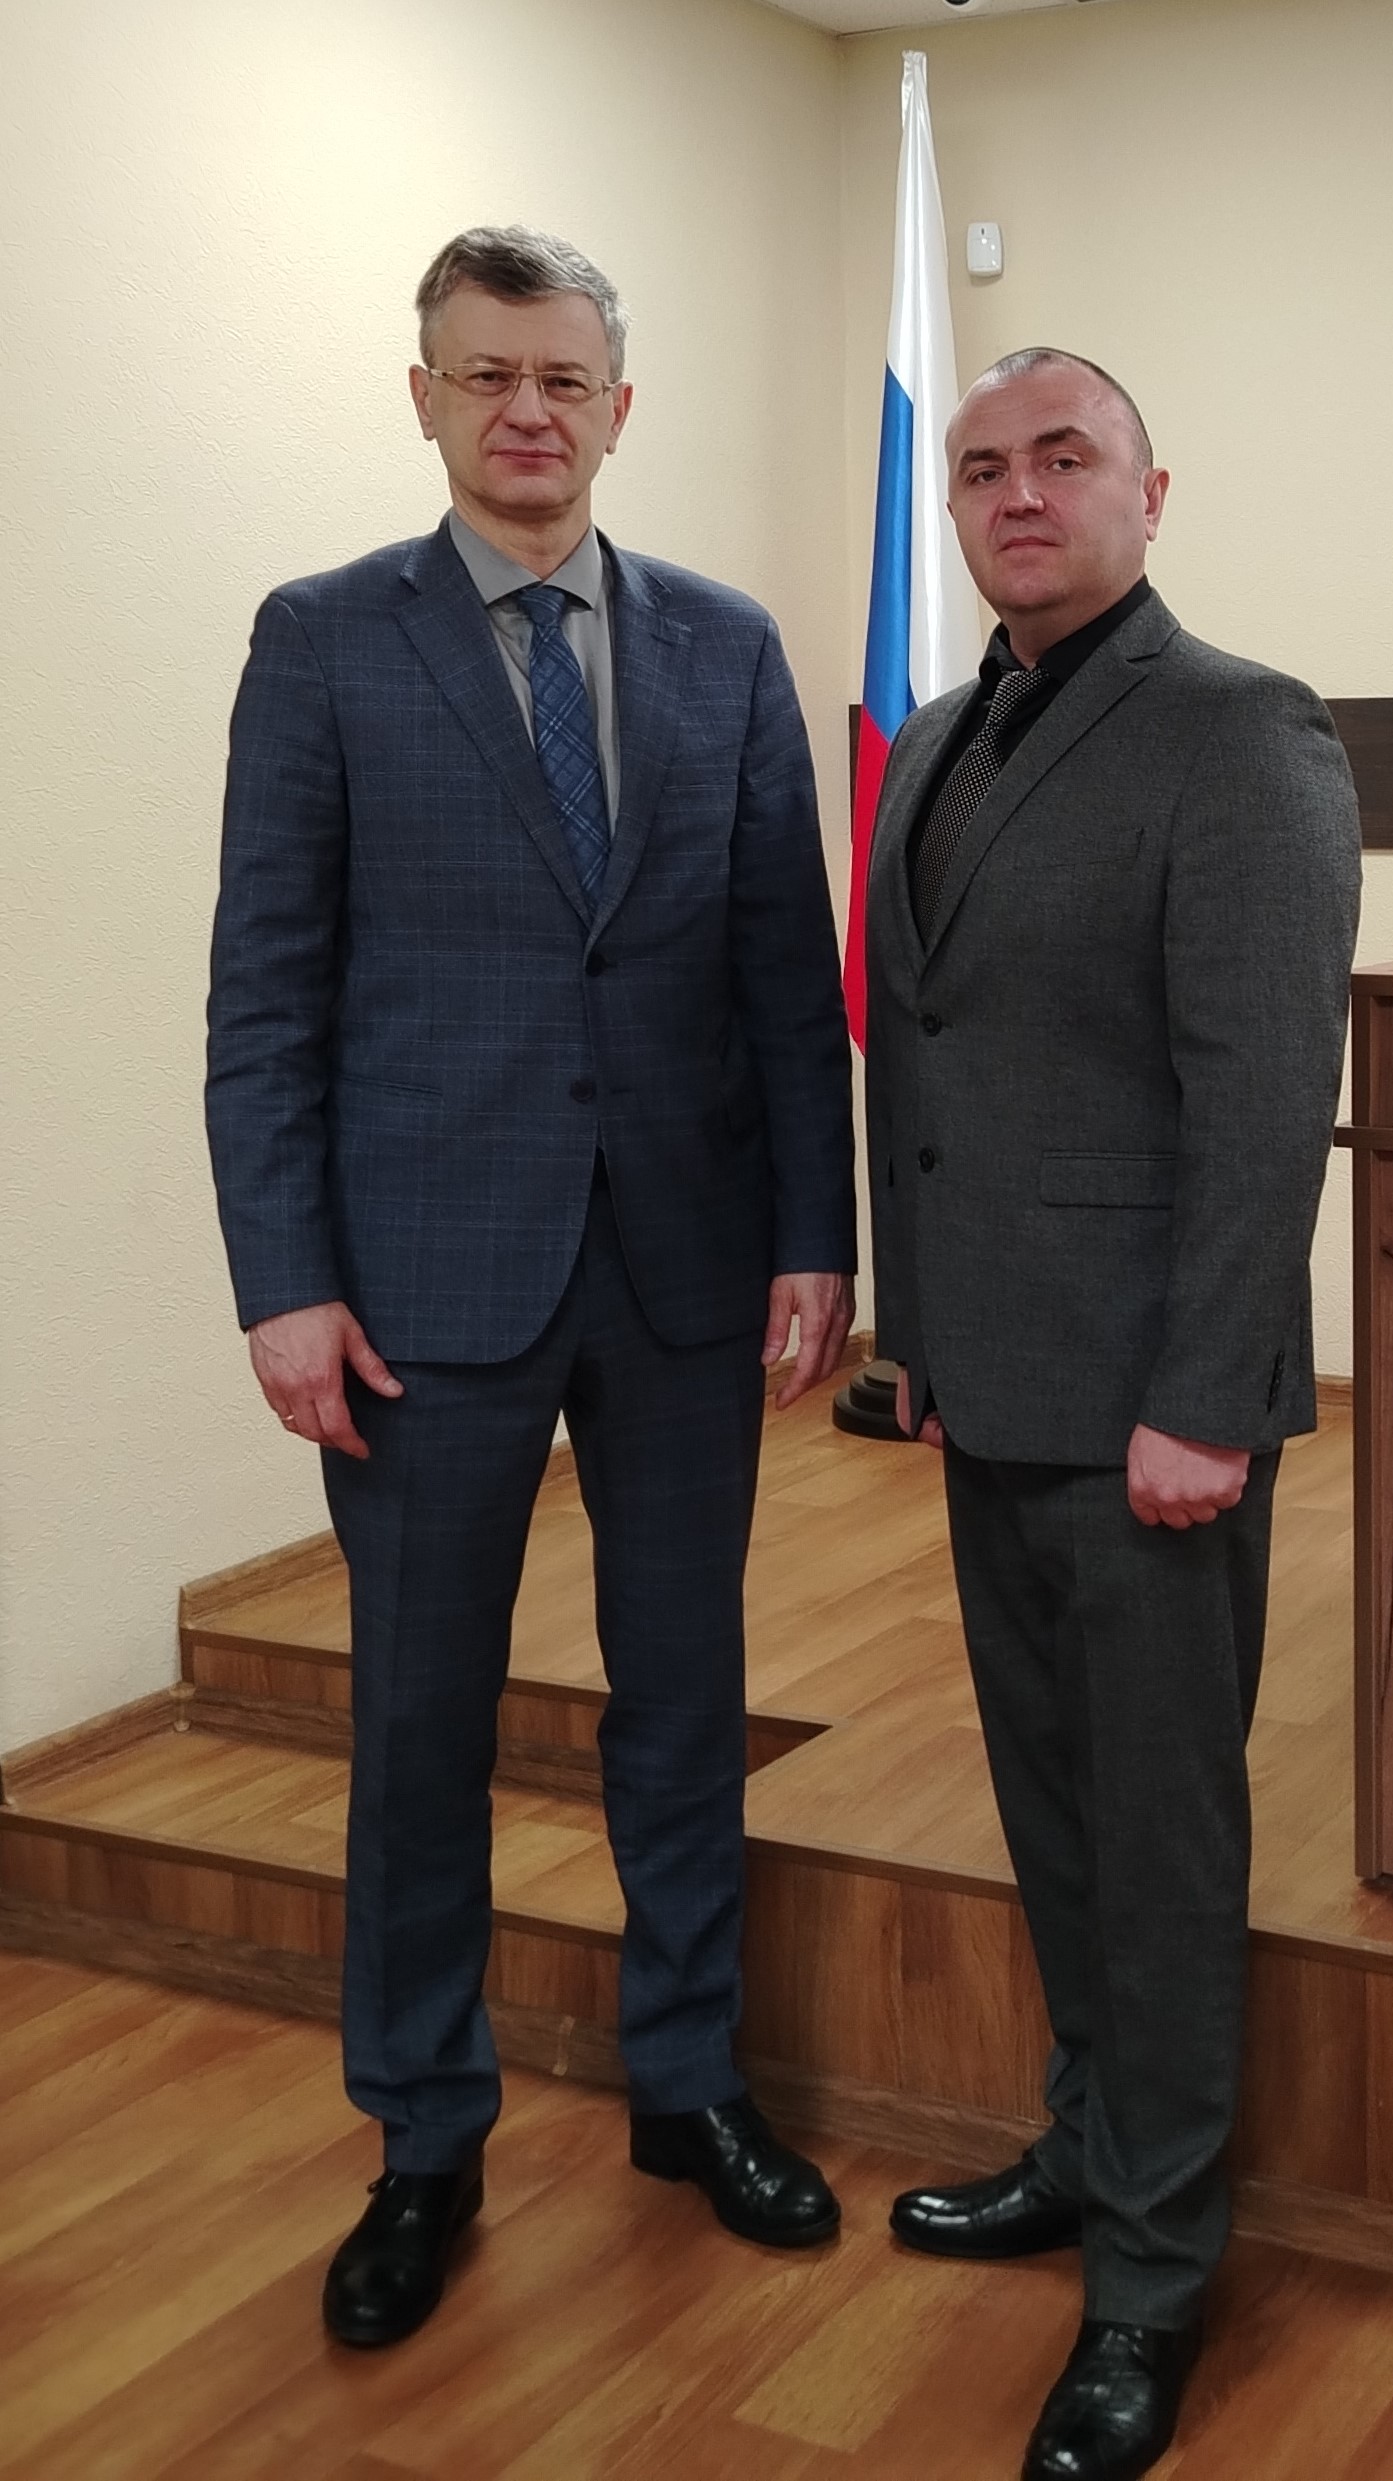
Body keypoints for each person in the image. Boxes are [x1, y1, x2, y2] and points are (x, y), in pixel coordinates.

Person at [206, 226, 857, 2349]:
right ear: (424, 396)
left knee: (682, 1698)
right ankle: (424, 2132)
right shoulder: (324, 642)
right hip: (420, 1287)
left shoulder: (722, 646)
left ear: (616, 407)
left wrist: (817, 1230)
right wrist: (284, 1278)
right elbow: (264, 997)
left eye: (562, 377)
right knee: (419, 1722)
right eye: (484, 373)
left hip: (680, 1268)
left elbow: (786, 978)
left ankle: (688, 2081)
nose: (525, 411)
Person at [863, 347, 1360, 2481]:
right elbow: (928, 1061)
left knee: (1155, 1846)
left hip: (1151, 1403)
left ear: (1149, 494)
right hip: (987, 1379)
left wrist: (1206, 1396)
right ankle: (1087, 2145)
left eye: (1060, 457)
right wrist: (911, 1334)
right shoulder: (938, 738)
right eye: (980, 466)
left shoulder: (1240, 729)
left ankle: (1153, 2276)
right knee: (1052, 1809)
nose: (1014, 491)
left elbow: (1263, 1095)